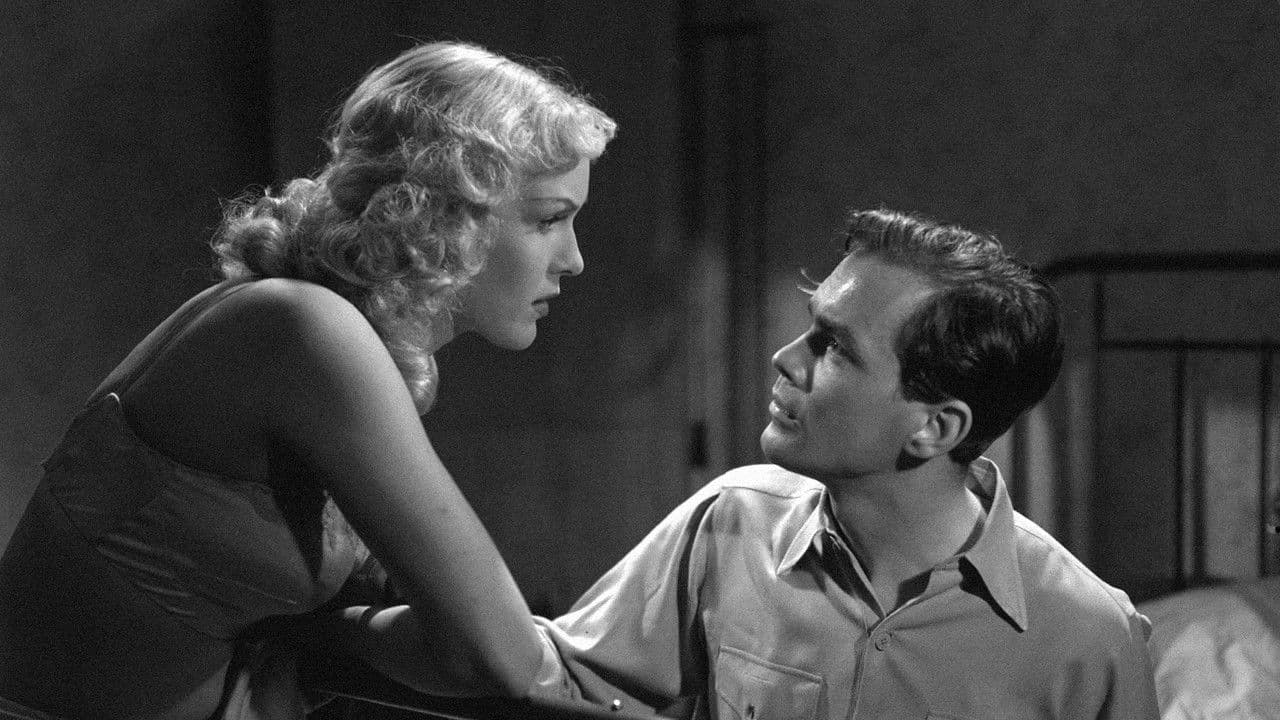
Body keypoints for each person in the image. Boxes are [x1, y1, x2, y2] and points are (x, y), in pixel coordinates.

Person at [0, 40, 615, 719]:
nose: (574, 260)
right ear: (445, 210)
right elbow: (499, 657)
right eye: (549, 219)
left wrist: (313, 637)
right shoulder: (304, 330)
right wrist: (318, 637)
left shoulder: (335, 337)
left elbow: (465, 646)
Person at [530, 208, 1159, 719]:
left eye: (833, 347)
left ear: (934, 428)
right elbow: (556, 681)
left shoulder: (1090, 638)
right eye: (813, 328)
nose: (785, 358)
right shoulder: (730, 525)